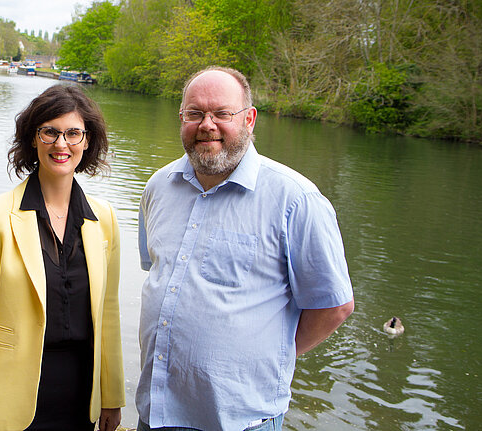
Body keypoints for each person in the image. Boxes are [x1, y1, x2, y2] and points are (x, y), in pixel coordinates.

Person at [136, 66, 355, 431]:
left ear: (249, 119)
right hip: (155, 413)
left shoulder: (296, 200)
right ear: (181, 118)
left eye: (222, 113)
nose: (207, 125)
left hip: (240, 420)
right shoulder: (159, 186)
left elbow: (334, 305)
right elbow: (158, 273)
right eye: (195, 114)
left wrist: (273, 353)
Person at [0, 85, 125, 431]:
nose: (62, 144)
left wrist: (113, 397)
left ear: (87, 141)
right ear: (33, 138)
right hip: (11, 404)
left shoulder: (105, 220)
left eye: (73, 133)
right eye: (50, 132)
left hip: (81, 402)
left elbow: (110, 314)